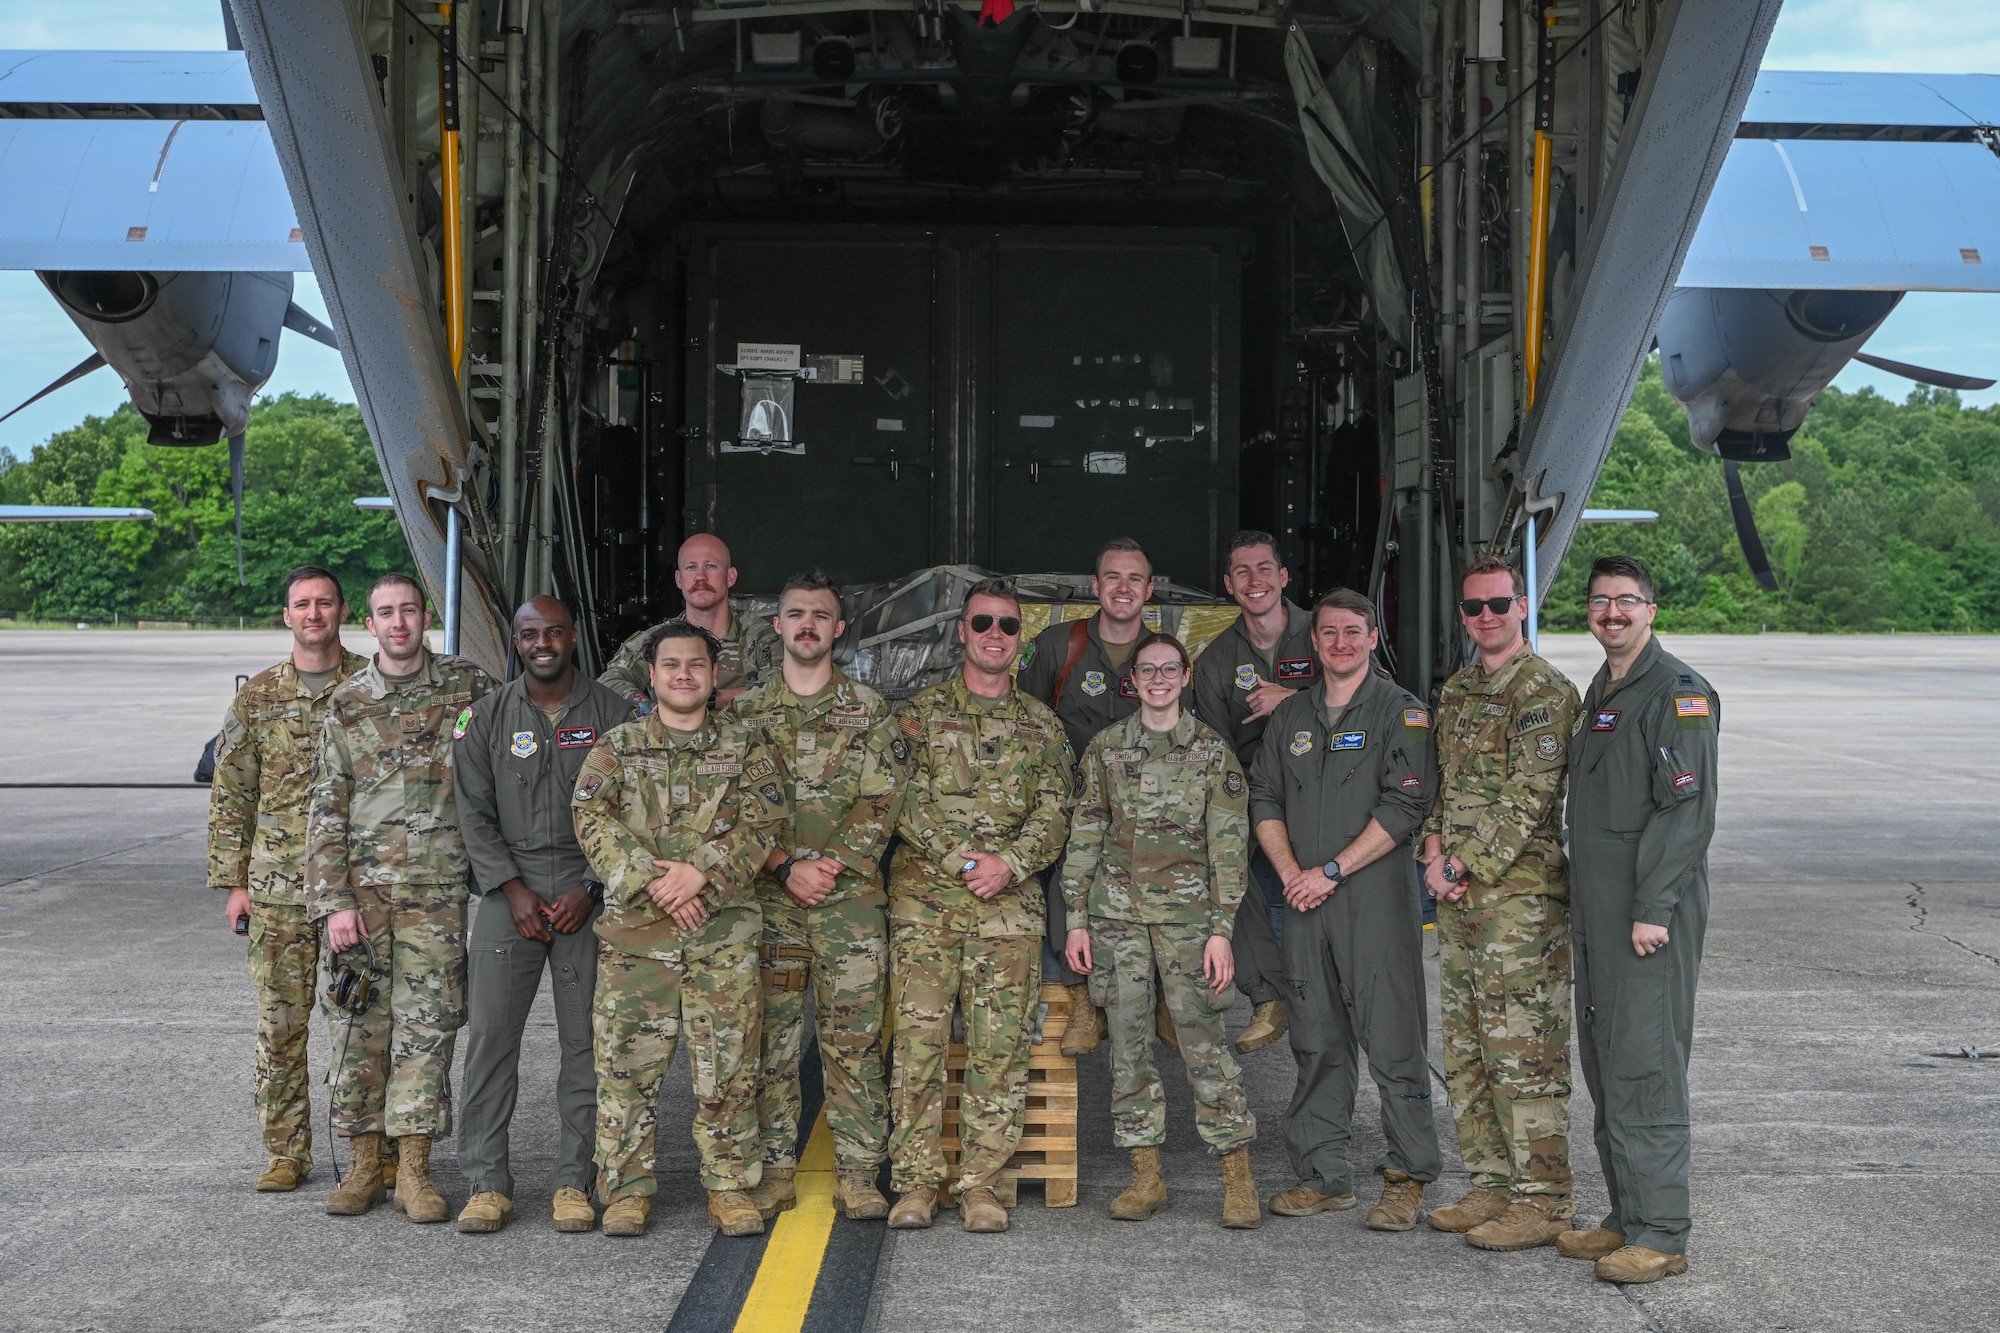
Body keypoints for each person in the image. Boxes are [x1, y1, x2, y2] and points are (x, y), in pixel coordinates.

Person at [571, 620, 791, 1239]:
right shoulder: (616, 747)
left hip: (721, 939)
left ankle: (730, 1187)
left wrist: (704, 878)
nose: (684, 674)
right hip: (637, 940)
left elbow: (764, 823)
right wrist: (653, 882)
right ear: (652, 674)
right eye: (671, 665)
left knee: (728, 1071)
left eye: (696, 664)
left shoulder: (750, 747)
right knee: (627, 1070)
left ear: (715, 674)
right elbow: (590, 817)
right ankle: (626, 1192)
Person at [884, 578, 1073, 1234]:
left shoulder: (1042, 726)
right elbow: (898, 797)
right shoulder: (916, 713)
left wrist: (1010, 863)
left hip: (1007, 912)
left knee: (999, 1048)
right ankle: (914, 1181)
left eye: (1009, 626)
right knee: (918, 1045)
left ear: (1020, 642)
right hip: (926, 905)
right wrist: (960, 858)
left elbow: (1056, 811)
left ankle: (981, 1184)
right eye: (983, 622)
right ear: (961, 632)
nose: (996, 633)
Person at [1249, 588, 1441, 1230]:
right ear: (1314, 641)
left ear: (1372, 636)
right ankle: (1326, 1175)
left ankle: (1409, 1175)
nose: (1340, 642)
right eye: (1329, 632)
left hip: (1373, 903)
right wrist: (1292, 876)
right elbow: (1265, 799)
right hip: (1304, 901)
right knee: (1317, 1040)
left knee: (1393, 1040)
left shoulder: (1401, 712)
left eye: (1353, 632)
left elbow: (1406, 806)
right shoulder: (1291, 718)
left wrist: (1330, 871)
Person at [307, 574, 497, 1221]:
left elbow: (517, 736)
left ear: (424, 617)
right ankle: (365, 1166)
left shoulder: (468, 688)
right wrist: (333, 900)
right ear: (370, 623)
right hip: (361, 898)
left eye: (409, 610)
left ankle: (414, 1169)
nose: (398, 621)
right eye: (386, 612)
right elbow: (325, 807)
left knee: (429, 1027)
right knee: (358, 1026)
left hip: (438, 895)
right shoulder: (347, 703)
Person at [450, 596, 638, 1235]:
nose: (542, 643)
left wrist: (591, 885)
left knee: (586, 1045)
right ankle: (485, 1183)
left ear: (573, 638)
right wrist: (507, 887)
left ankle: (573, 1182)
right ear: (516, 640)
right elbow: (472, 813)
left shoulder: (616, 715)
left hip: (590, 896)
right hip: (512, 895)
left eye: (553, 632)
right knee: (490, 1040)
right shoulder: (484, 718)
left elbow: (633, 811)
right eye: (529, 634)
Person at [1061, 631, 1261, 1229]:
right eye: (1147, 670)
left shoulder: (1210, 752)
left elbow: (1229, 848)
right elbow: (1086, 835)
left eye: (1168, 669)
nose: (1157, 679)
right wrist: (1076, 919)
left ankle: (1237, 1175)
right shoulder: (1105, 749)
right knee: (1128, 1047)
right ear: (1134, 680)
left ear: (1185, 675)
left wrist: (1223, 929)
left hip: (1189, 922)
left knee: (1204, 1045)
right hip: (1116, 919)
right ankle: (1145, 1175)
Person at [1557, 555, 1720, 1285]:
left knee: (1646, 1065)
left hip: (1644, 915)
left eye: (1626, 601)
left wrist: (1652, 910)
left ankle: (1662, 1232)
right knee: (1606, 1059)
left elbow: (1685, 813)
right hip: (1600, 909)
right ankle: (1626, 1214)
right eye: (1600, 602)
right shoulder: (1607, 686)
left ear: (1651, 609)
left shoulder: (1678, 692)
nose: (1612, 613)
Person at [1417, 555, 1582, 1251]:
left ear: (1521, 605)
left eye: (1498, 603)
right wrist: (1431, 850)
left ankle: (1543, 1196)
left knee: (1526, 1049)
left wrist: (1458, 862)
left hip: (1518, 902)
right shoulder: (1457, 690)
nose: (1486, 615)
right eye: (1474, 606)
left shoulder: (1543, 690)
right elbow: (1445, 788)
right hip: (1458, 900)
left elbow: (1529, 797)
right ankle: (1491, 1180)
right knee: (1468, 1045)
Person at [731, 572, 900, 1223]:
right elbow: (734, 809)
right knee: (770, 1042)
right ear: (777, 625)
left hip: (848, 903)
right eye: (795, 613)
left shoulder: (868, 710)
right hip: (771, 903)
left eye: (820, 615)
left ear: (838, 628)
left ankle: (858, 1172)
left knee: (853, 1042)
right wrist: (783, 866)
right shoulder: (745, 715)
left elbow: (883, 798)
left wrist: (826, 865)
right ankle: (774, 1169)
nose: (807, 623)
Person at [207, 565, 368, 1192]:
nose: (313, 614)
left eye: (324, 603)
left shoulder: (371, 685)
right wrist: (234, 883)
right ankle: (286, 1151)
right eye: (302, 604)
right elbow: (232, 793)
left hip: (355, 886)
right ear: (286, 616)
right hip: (277, 888)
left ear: (342, 610)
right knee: (280, 1025)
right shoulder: (259, 696)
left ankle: (367, 1152)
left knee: (358, 1023)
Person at [1015, 536, 1155, 1058]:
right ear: (1095, 587)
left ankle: (1161, 995)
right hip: (1069, 801)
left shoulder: (1161, 655)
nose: (1123, 588)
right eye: (1113, 578)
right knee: (1061, 869)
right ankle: (1079, 998)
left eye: (1134, 578)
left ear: (1149, 589)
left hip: (1143, 808)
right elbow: (1024, 727)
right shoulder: (1058, 645)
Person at [1191, 530, 1319, 1056]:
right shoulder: (1218, 659)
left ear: (1284, 577)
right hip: (1250, 784)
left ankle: (1334, 988)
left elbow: (1373, 703)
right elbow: (1218, 753)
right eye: (1242, 572)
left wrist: (1293, 701)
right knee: (1218, 860)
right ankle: (1268, 994)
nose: (1254, 581)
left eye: (1264, 569)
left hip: (1325, 778)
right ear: (1228, 585)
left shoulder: (1323, 630)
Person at [599, 534, 779, 712]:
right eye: (691, 567)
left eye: (710, 566)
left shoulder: (758, 635)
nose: (700, 576)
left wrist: (709, 700)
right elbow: (610, 681)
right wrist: (652, 708)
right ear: (679, 579)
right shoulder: (660, 639)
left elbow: (783, 685)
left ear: (730, 577)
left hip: (746, 739)